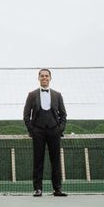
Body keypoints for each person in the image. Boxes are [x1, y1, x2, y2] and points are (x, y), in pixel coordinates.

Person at [23, 69, 67, 197]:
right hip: (38, 132)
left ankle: (57, 189)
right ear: (38, 78)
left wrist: (60, 129)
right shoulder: (31, 95)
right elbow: (26, 115)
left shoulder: (57, 95)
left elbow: (63, 114)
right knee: (38, 160)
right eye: (42, 76)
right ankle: (38, 189)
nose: (44, 78)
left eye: (46, 76)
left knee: (56, 161)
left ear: (50, 78)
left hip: (54, 131)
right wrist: (32, 130)